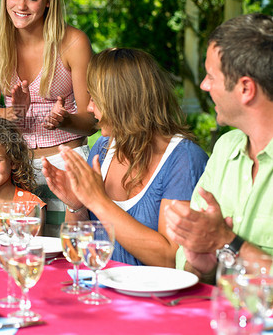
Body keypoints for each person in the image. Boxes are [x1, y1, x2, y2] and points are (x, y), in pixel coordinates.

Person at [43, 48, 208, 267]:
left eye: (95, 98)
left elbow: (171, 258)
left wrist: (97, 201)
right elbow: (76, 251)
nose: (90, 108)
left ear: (123, 102)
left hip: (154, 299)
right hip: (102, 290)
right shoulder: (103, 148)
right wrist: (76, 205)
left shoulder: (184, 159)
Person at [0, 0, 97, 236]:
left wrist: (65, 120)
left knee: (67, 251)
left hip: (66, 163)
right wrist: (14, 114)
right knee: (16, 251)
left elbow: (92, 121)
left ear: (48, 0)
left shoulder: (74, 42)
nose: (20, 6)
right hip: (15, 167)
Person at [165, 13, 273, 280]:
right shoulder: (225, 150)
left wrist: (228, 242)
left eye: (211, 76)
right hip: (222, 317)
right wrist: (203, 265)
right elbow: (191, 269)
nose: (204, 85)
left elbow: (221, 240)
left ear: (246, 89)